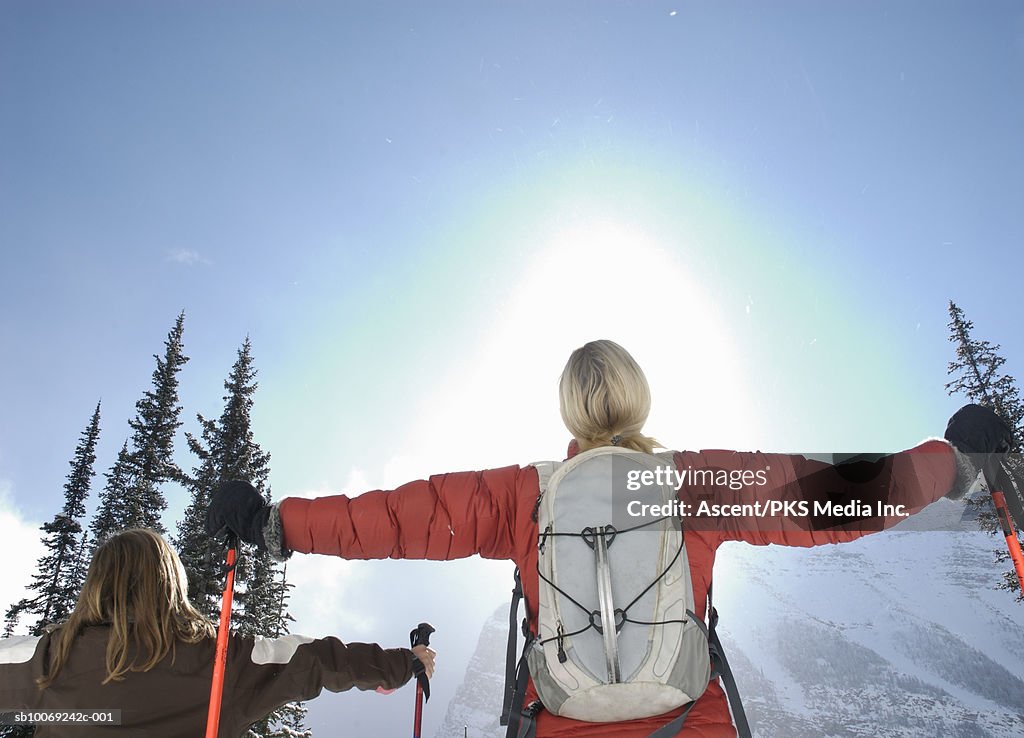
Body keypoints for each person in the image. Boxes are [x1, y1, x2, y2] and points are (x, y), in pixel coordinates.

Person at [206, 339, 1011, 738]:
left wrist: (276, 524)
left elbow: (389, 519)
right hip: (686, 723)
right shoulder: (690, 483)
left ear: (568, 414)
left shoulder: (522, 496)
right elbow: (834, 493)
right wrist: (954, 464)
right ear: (640, 400)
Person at [0, 528, 435, 737]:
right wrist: (402, 664)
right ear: (170, 583)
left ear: (96, 582)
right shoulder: (219, 660)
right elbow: (315, 659)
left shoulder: (47, 660)